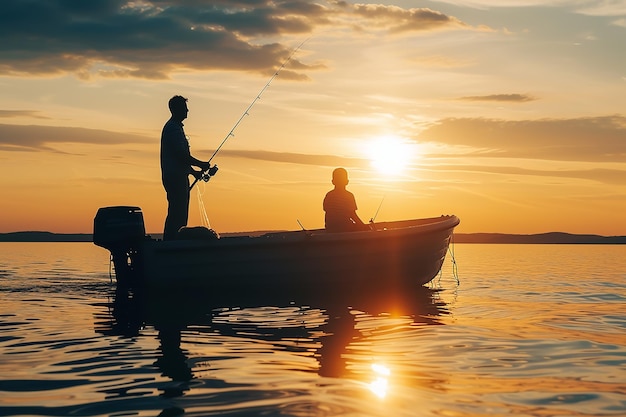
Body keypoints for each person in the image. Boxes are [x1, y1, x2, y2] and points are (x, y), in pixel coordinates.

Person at [160, 95, 217, 241]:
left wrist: (193, 172)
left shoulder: (175, 127)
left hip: (177, 176)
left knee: (178, 211)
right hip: (175, 178)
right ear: (177, 109)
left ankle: (172, 242)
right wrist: (201, 165)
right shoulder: (173, 129)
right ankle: (171, 243)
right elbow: (181, 155)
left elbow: (180, 158)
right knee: (177, 212)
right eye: (185, 108)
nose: (187, 111)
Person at [323, 167, 369, 232]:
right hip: (346, 227)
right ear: (347, 182)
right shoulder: (349, 196)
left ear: (333, 182)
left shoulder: (329, 195)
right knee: (360, 227)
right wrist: (363, 226)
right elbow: (353, 215)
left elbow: (327, 212)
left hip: (330, 228)